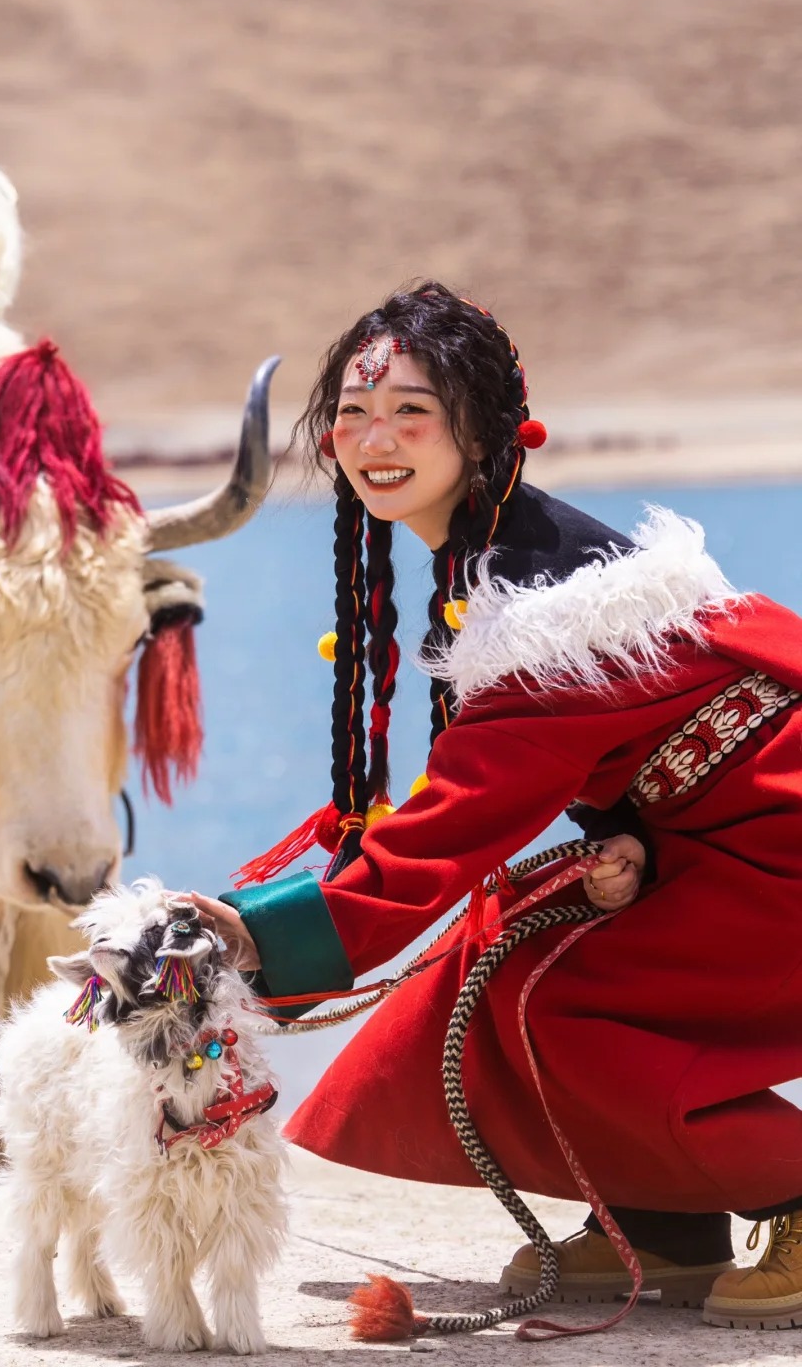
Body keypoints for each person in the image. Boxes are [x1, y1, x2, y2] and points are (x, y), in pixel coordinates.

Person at [186, 282, 802, 1333]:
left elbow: (461, 816)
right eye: (352, 414)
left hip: (776, 851)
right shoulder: (501, 557)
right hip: (722, 838)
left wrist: (263, 939)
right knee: (509, 956)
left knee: (557, 1003)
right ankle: (665, 1220)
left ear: (480, 431)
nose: (374, 439)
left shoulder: (549, 605)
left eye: (410, 413)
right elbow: (610, 754)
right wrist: (627, 840)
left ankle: (788, 1194)